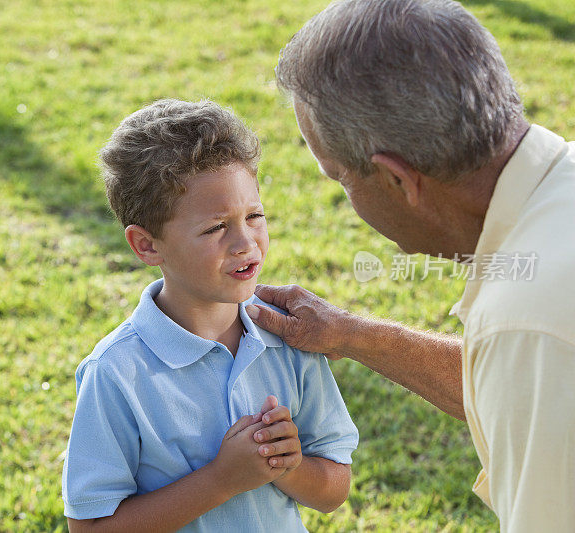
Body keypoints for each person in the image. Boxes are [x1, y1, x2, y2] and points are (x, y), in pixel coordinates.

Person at [244, 0, 575, 531]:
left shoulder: (530, 326)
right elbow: (517, 386)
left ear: (397, 180)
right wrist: (349, 334)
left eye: (339, 177)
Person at [62, 99, 359, 532]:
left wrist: (287, 465)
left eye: (254, 216)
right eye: (215, 227)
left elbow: (334, 489)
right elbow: (88, 528)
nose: (245, 243)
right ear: (147, 245)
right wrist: (221, 480)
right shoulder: (115, 373)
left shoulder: (290, 338)